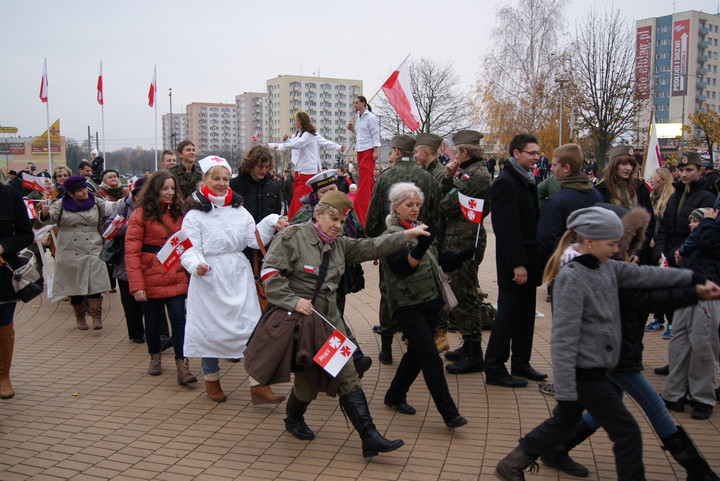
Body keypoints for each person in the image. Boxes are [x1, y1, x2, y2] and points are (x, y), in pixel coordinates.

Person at [494, 206, 702, 481]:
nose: (616, 249)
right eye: (611, 244)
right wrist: (566, 388)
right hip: (584, 373)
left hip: (597, 369)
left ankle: (512, 464)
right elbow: (563, 338)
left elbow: (650, 275)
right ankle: (512, 464)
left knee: (564, 422)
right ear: (589, 241)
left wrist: (693, 281)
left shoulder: (604, 267)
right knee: (625, 431)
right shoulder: (572, 276)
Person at [261, 190, 429, 457]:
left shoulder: (339, 244)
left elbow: (373, 246)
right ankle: (293, 418)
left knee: (348, 374)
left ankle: (369, 436)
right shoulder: (292, 238)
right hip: (302, 323)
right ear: (317, 214)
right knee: (306, 385)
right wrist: (293, 300)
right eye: (333, 218)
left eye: (342, 221)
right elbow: (269, 272)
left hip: (329, 322)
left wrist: (409, 234)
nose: (338, 225)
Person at [181, 156, 283, 403]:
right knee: (210, 331)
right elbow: (188, 247)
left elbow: (252, 239)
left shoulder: (239, 209)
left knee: (250, 328)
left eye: (225, 178)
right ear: (204, 180)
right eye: (215, 178)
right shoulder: (194, 215)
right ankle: (211, 380)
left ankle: (258, 384)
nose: (222, 183)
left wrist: (270, 222)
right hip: (210, 277)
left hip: (238, 274)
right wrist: (197, 265)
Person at [381, 182, 468, 428]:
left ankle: (394, 395)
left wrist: (462, 255)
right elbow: (402, 267)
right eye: (409, 205)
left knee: (416, 355)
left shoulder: (420, 228)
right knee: (430, 357)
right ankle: (449, 413)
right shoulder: (392, 235)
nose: (414, 209)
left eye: (417, 204)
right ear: (396, 207)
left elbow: (439, 261)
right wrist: (420, 245)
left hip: (429, 301)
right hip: (406, 304)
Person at [289, 169, 373, 377]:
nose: (329, 195)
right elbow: (291, 241)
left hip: (340, 275)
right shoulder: (305, 213)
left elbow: (359, 235)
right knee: (327, 319)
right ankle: (352, 360)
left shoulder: (346, 210)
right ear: (315, 195)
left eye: (332, 189)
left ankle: (336, 366)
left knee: (332, 318)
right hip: (313, 278)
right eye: (323, 192)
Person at [365, 134, 440, 364]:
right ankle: (414, 339)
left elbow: (374, 214)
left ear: (396, 151)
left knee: (389, 292)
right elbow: (437, 213)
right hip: (423, 243)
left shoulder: (386, 176)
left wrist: (376, 242)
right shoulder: (427, 177)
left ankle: (387, 348)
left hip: (393, 240)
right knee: (418, 292)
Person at [125, 171, 197, 385]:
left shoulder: (180, 213)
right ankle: (154, 355)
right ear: (155, 190)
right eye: (165, 188)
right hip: (150, 275)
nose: (170, 193)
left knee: (179, 320)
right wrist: (137, 285)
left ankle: (182, 366)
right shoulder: (139, 215)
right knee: (153, 323)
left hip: (175, 273)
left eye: (173, 188)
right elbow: (131, 253)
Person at [485, 134, 546, 388]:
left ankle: (521, 362)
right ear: (516, 153)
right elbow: (506, 228)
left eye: (537, 153)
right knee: (507, 315)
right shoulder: (506, 182)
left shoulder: (526, 179)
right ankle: (495, 367)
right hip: (515, 262)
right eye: (532, 153)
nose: (536, 157)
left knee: (525, 315)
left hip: (529, 258)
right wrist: (517, 264)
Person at [438, 130, 492, 374]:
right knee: (461, 295)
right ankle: (469, 345)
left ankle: (474, 353)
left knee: (466, 297)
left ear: (464, 153)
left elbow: (446, 205)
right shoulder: (472, 172)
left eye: (456, 152)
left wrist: (449, 179)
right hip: (461, 240)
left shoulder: (475, 176)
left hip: (466, 242)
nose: (454, 156)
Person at [662, 207, 720, 420]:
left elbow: (710, 244)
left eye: (696, 221)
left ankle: (702, 398)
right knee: (679, 343)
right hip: (686, 291)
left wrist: (707, 223)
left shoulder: (710, 229)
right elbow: (680, 253)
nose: (691, 225)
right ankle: (673, 393)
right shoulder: (698, 234)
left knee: (703, 346)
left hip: (709, 292)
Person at [39, 176, 114, 329]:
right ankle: (80, 317)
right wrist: (45, 213)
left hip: (93, 245)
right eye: (79, 190)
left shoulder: (95, 201)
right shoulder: (60, 204)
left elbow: (109, 207)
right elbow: (49, 218)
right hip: (69, 248)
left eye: (84, 188)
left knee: (96, 283)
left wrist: (127, 200)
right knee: (74, 286)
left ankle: (96, 316)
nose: (84, 192)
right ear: (71, 193)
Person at [269, 111, 344, 219]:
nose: (294, 123)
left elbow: (322, 142)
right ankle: (294, 215)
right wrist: (285, 141)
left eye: (296, 120)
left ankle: (301, 216)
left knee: (304, 192)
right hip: (299, 167)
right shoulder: (297, 135)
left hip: (309, 168)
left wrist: (338, 147)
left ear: (300, 121)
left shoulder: (310, 134)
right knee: (297, 192)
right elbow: (292, 144)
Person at [0, 178, 34, 399]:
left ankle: (3, 376)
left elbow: (26, 233)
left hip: (3, 273)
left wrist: (3, 247)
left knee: (3, 324)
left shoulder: (10, 195)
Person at [104, 176, 148, 343]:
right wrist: (132, 225)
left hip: (150, 260)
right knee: (130, 302)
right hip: (125, 259)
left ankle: (160, 334)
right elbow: (108, 228)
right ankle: (136, 333)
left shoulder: (158, 206)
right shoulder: (124, 206)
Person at [594, 146, 654, 264]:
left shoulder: (640, 187)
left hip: (637, 253)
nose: (628, 168)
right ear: (613, 165)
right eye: (623, 164)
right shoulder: (601, 190)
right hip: (611, 255)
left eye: (631, 164)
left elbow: (649, 221)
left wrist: (637, 252)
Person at [645, 167, 676, 336]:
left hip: (665, 248)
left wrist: (657, 241)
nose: (651, 181)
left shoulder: (671, 198)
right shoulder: (651, 197)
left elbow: (667, 226)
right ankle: (658, 318)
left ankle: (672, 321)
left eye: (654, 179)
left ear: (663, 181)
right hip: (651, 247)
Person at [346, 95, 380, 224]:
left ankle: (363, 197)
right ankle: (370, 193)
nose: (354, 105)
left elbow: (375, 134)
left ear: (363, 103)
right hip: (360, 148)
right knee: (363, 173)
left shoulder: (370, 117)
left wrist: (376, 150)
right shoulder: (358, 118)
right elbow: (361, 135)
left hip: (368, 149)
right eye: (353, 103)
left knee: (366, 173)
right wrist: (352, 130)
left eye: (356, 103)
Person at [229, 145, 282, 222]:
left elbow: (277, 213)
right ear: (251, 164)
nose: (264, 171)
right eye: (260, 167)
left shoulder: (273, 186)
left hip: (267, 233)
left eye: (266, 167)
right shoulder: (234, 185)